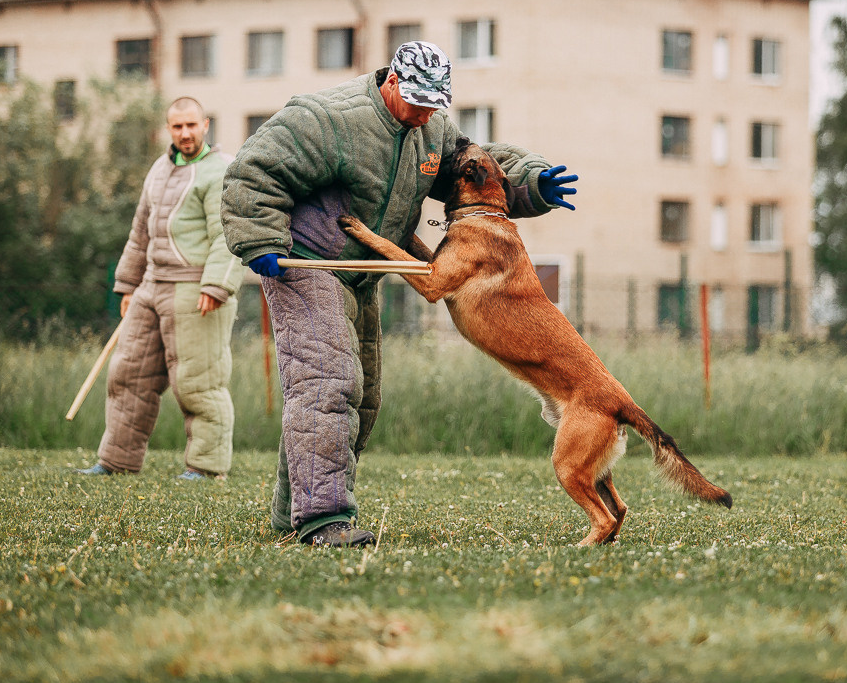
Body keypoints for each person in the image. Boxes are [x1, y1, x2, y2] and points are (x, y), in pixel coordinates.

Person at [220, 41, 578, 547]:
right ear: (391, 81)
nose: (425, 113)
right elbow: (254, 171)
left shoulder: (430, 129)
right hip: (306, 262)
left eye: (435, 104)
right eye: (416, 100)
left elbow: (475, 168)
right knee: (328, 383)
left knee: (361, 398)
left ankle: (290, 513)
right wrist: (259, 237)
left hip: (365, 271)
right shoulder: (327, 119)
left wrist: (530, 184)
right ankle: (324, 521)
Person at [78, 96, 244, 480]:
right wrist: (128, 284)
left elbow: (227, 234)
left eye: (191, 125)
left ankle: (206, 467)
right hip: (150, 286)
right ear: (167, 130)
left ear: (205, 125)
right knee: (128, 374)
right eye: (177, 127)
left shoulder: (221, 170)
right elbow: (140, 233)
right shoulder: (158, 169)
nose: (184, 133)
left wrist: (217, 286)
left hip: (195, 289)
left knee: (198, 381)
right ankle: (116, 460)